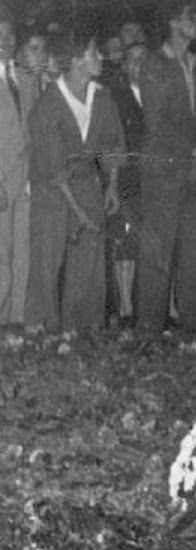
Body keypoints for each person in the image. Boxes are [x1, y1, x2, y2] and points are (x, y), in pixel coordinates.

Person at [25, 31, 125, 332]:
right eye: (95, 53)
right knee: (49, 258)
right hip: (53, 192)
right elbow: (54, 168)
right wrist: (79, 212)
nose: (101, 58)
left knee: (89, 262)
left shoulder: (103, 97)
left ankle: (84, 330)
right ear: (77, 60)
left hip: (89, 186)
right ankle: (41, 329)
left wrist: (111, 187)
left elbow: (114, 145)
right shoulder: (47, 105)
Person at [135, 1, 196, 335]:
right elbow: (157, 121)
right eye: (190, 17)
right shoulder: (154, 64)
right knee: (158, 253)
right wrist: (194, 151)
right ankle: (149, 328)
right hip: (164, 174)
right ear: (173, 23)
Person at [106, 40, 147, 328]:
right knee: (125, 244)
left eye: (143, 59)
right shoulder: (116, 97)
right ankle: (125, 309)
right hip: (128, 179)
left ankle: (159, 308)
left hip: (157, 181)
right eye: (131, 60)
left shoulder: (161, 95)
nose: (138, 65)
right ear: (124, 65)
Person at [0, 8, 36, 328]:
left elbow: (34, 130)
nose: (5, 41)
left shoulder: (25, 78)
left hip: (25, 182)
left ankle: (16, 322)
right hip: (1, 181)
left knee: (23, 253)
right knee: (1, 257)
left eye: (9, 35)